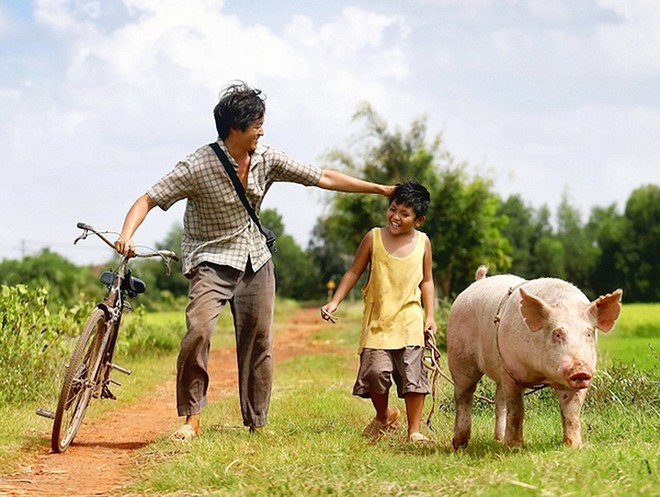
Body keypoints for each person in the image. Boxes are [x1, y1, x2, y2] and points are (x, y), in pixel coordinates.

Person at [114, 81, 395, 440]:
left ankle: (256, 423)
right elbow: (147, 199)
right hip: (211, 259)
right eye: (256, 125)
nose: (262, 131)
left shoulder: (268, 158)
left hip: (255, 258)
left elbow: (321, 176)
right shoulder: (197, 165)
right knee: (198, 331)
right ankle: (192, 420)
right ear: (235, 128)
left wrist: (379, 189)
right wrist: (127, 234)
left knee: (259, 342)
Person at [320, 180, 436, 443]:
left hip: (410, 320)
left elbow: (427, 281)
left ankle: (414, 430)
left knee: (413, 376)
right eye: (393, 209)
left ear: (419, 220)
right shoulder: (373, 237)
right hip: (378, 321)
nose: (395, 217)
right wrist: (334, 301)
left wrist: (430, 317)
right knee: (374, 373)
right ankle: (384, 415)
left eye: (404, 214)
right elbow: (353, 272)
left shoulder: (423, 243)